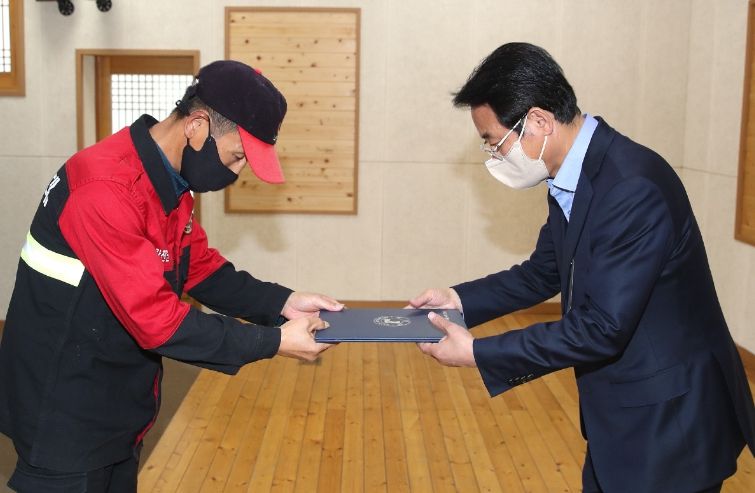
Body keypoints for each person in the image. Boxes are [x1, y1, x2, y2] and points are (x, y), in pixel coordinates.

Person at [410, 42, 755, 493]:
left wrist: (479, 353)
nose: (494, 156)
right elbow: (542, 273)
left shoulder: (630, 187)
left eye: (495, 142)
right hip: (625, 415)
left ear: (538, 121)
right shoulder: (573, 175)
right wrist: (457, 300)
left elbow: (602, 327)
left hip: (670, 423)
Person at [0, 60, 342, 492]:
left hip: (116, 403)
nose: (237, 172)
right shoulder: (105, 187)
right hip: (64, 411)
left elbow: (198, 267)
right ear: (197, 126)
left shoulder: (167, 182)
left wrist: (282, 303)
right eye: (237, 156)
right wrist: (272, 341)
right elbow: (157, 320)